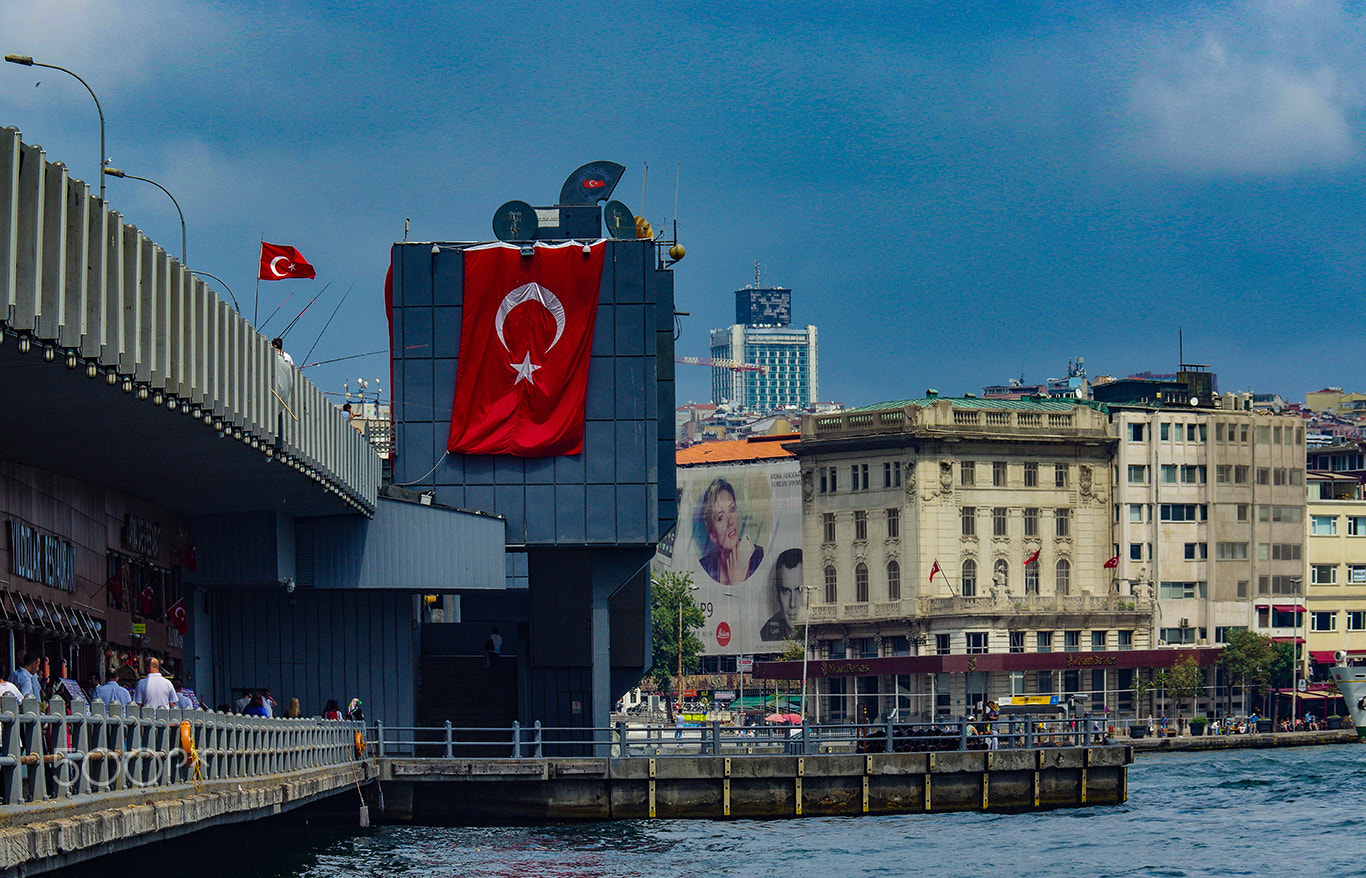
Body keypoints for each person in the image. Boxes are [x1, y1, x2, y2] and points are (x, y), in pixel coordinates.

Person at [698, 478, 763, 585]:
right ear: (712, 534)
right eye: (720, 518)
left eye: (732, 509)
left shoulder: (758, 557)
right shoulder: (705, 567)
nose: (730, 522)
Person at [761, 549, 803, 641]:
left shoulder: (820, 626)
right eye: (785, 591)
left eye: (799, 590)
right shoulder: (767, 633)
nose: (792, 604)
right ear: (777, 594)